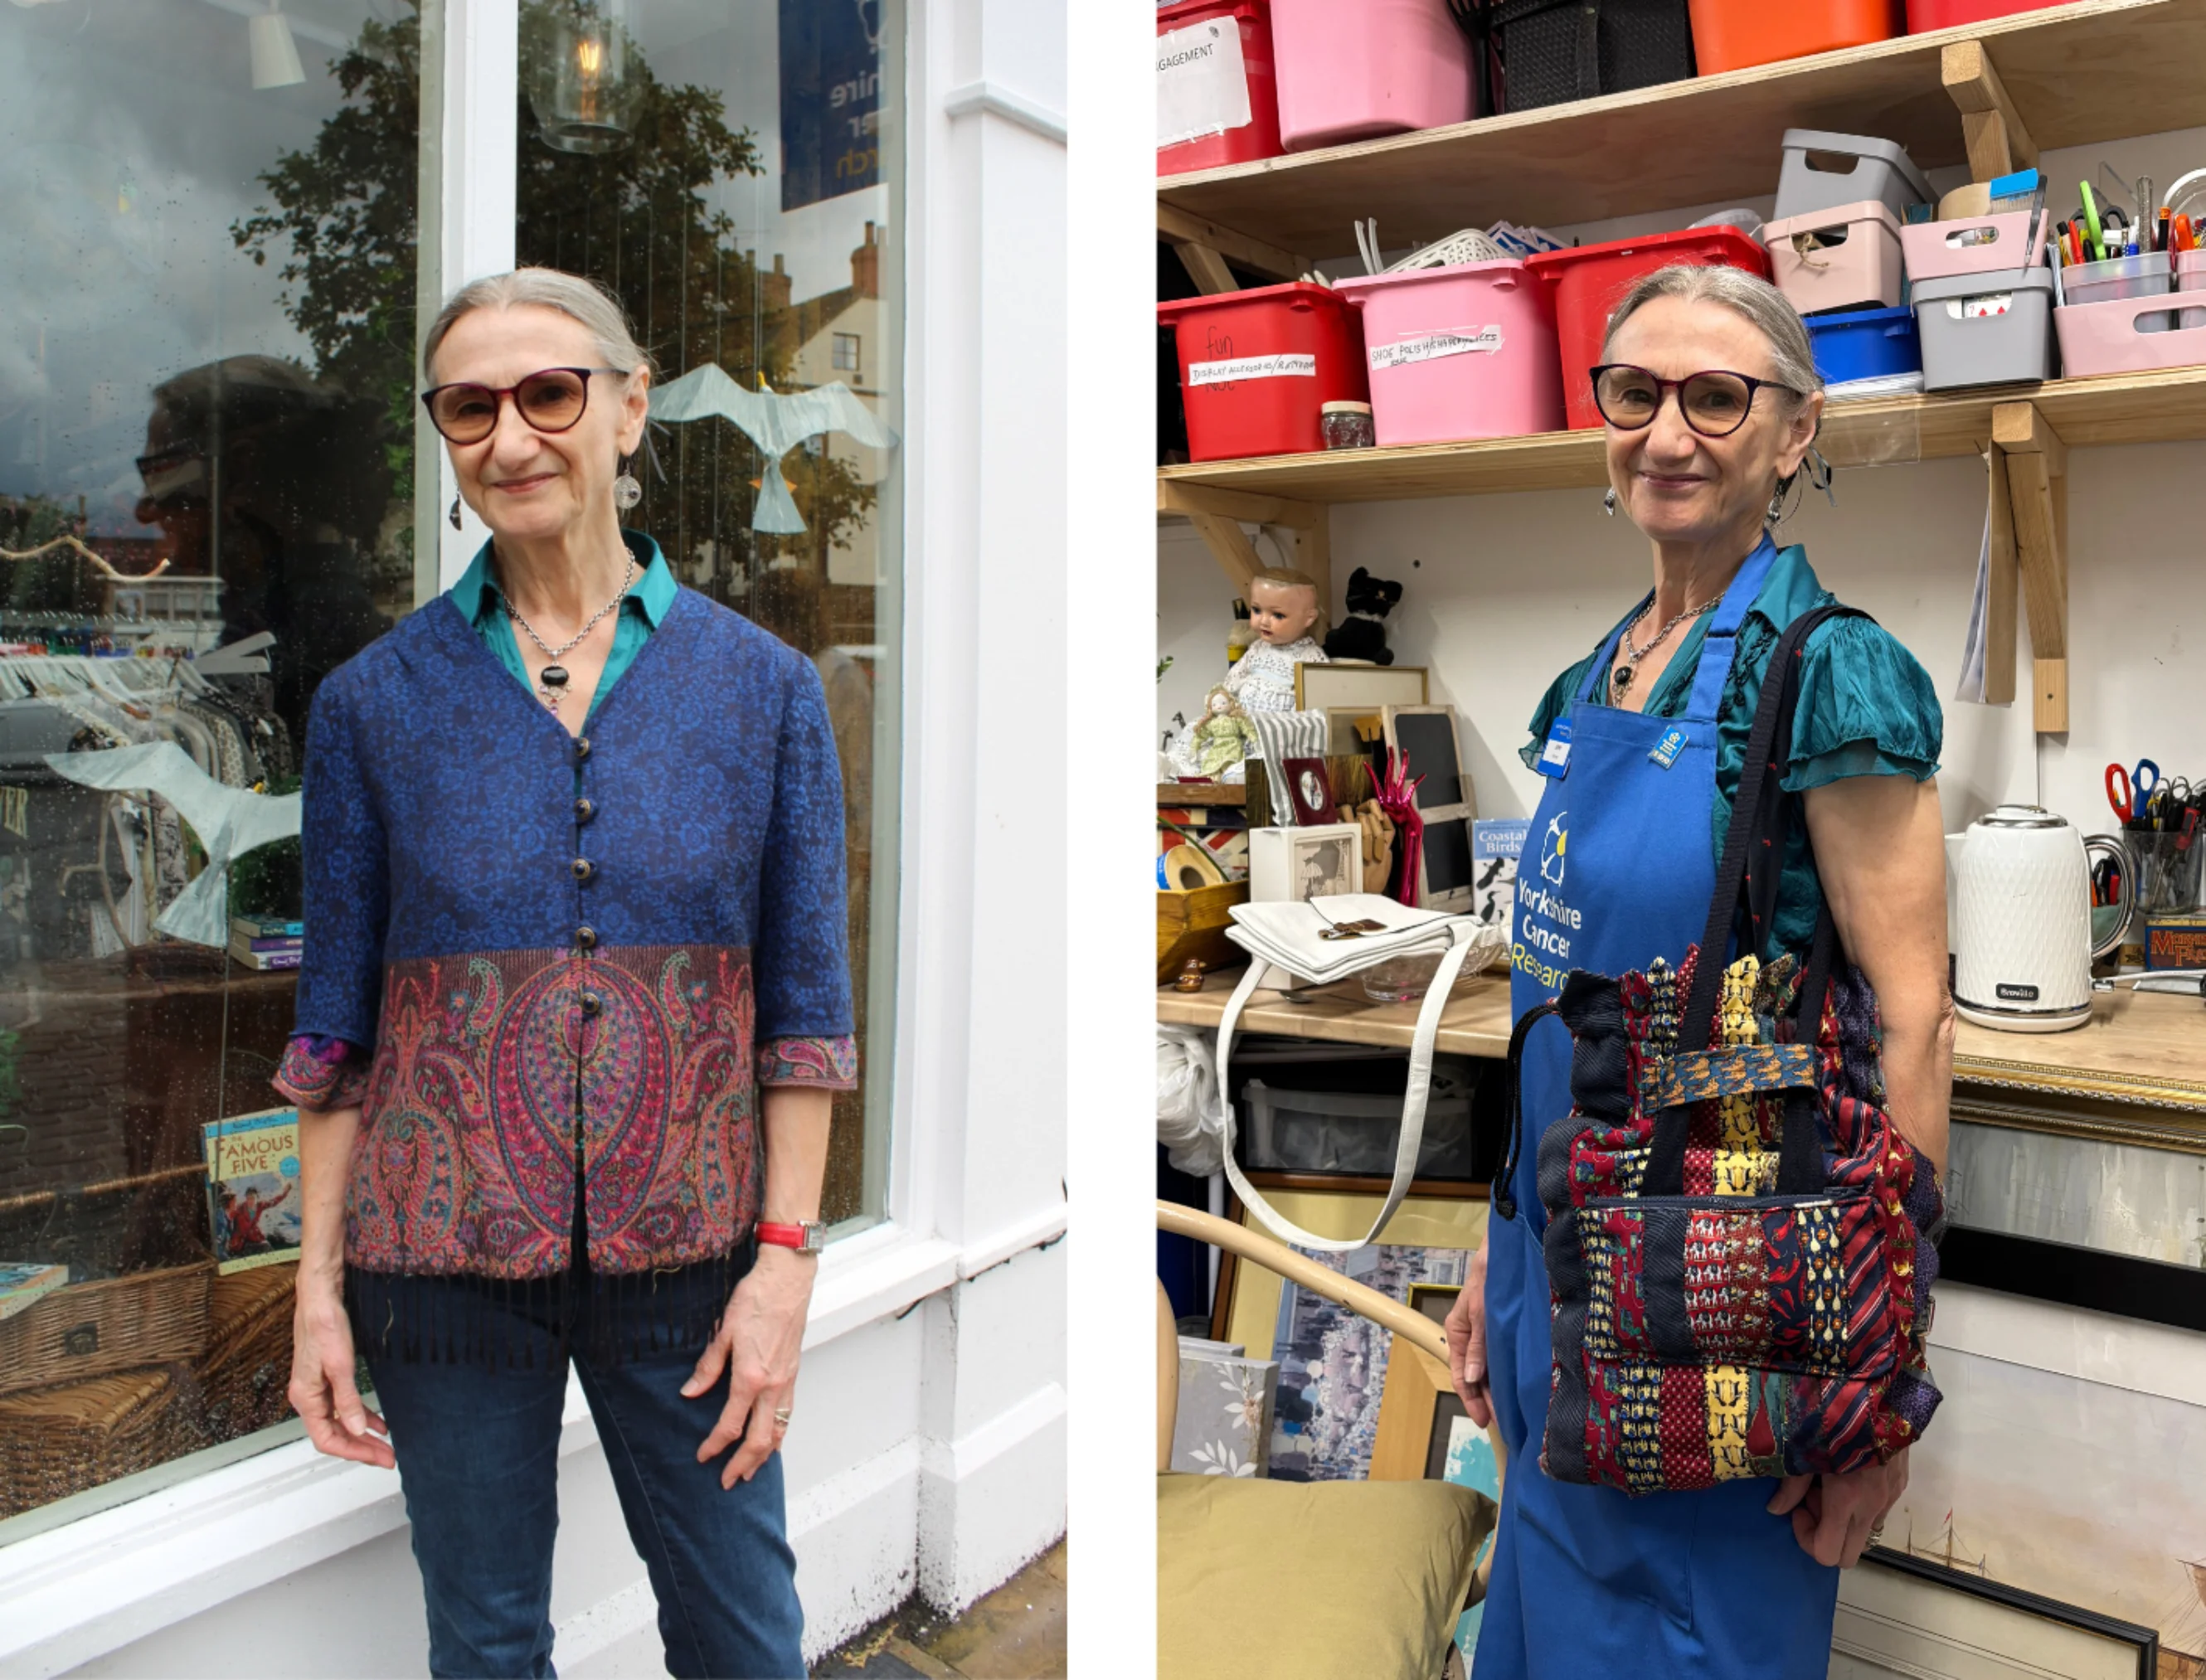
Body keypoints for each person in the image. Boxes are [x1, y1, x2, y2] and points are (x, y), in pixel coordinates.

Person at [275, 268, 855, 1680]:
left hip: (696, 1267)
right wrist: (317, 1289)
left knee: (745, 1637)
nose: (511, 436)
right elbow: (336, 1033)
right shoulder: (370, 706)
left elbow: (804, 1017)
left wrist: (784, 1267)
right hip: (442, 1269)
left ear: (629, 407)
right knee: (485, 1646)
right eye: (469, 408)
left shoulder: (765, 690)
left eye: (550, 392)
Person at [1443, 264, 1954, 1677]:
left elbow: (1916, 1026)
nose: (1666, 433)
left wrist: (1879, 1388)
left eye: (1717, 397)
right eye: (1635, 392)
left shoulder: (1830, 672)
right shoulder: (1590, 680)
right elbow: (1554, 1017)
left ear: (1795, 433)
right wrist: (1495, 1254)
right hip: (1553, 1272)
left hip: (1712, 1310)